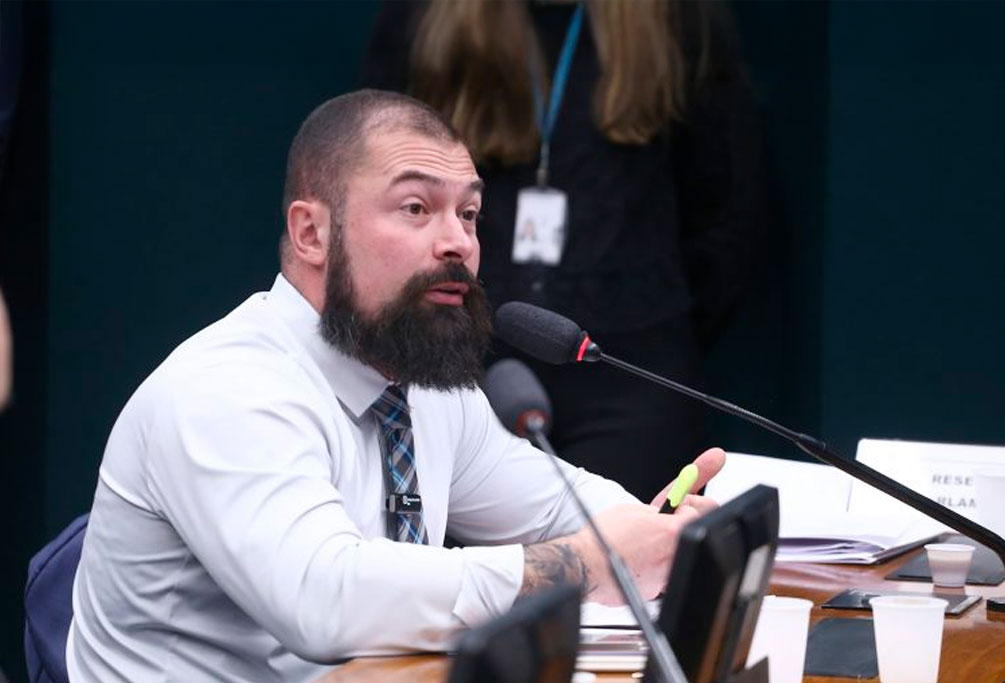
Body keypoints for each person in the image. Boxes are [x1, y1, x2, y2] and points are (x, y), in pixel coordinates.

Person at [67, 90, 726, 682]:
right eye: (416, 208)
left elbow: (561, 507)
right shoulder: (226, 391)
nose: (458, 242)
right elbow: (327, 599)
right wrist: (584, 563)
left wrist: (660, 535)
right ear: (311, 232)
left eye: (469, 213)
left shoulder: (427, 387)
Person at [361, 0, 765, 500]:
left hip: (629, 373)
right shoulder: (423, 17)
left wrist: (646, 310)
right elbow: (372, 184)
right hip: (462, 368)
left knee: (625, 539)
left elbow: (728, 209)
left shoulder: (679, 18)